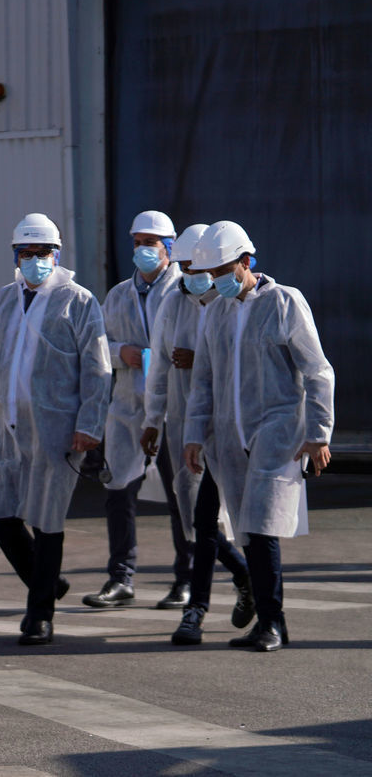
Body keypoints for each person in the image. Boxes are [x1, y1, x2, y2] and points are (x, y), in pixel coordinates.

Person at [183, 221, 334, 652]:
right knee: (247, 532)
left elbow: (317, 371)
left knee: (262, 527)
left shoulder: (284, 302)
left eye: (222, 271)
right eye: (211, 274)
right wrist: (195, 435)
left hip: (277, 432)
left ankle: (271, 624)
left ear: (246, 262)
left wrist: (319, 433)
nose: (216, 281)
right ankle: (268, 621)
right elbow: (204, 381)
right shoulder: (216, 313)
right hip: (229, 437)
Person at [0, 213, 111, 646]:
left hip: (57, 428)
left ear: (57, 254)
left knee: (47, 519)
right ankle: (46, 581)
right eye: (25, 253)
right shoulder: (4, 300)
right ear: (15, 256)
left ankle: (39, 616)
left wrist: (89, 424)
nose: (34, 261)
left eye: (42, 253)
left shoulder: (78, 301)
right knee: (0, 514)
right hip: (4, 427)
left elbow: (98, 369)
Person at [140, 223, 254, 645]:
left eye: (196, 267)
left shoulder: (232, 303)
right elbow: (158, 366)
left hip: (233, 429)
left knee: (237, 522)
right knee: (197, 520)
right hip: (189, 427)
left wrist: (199, 359)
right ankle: (237, 580)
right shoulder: (174, 303)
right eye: (185, 267)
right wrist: (152, 419)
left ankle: (203, 607)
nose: (191, 274)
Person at [83, 210, 189, 610]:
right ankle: (120, 578)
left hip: (174, 408)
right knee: (118, 491)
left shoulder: (184, 290)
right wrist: (120, 353)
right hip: (128, 406)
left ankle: (186, 579)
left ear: (169, 247)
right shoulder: (118, 295)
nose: (143, 249)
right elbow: (97, 347)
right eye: (138, 242)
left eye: (151, 243)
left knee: (181, 495)